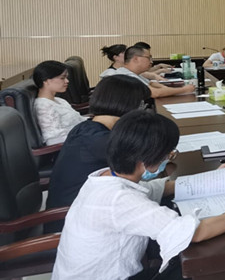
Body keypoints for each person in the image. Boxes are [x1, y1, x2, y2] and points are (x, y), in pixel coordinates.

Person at [51, 110, 225, 280]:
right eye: (168, 155)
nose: (168, 159)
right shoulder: (119, 200)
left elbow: (154, 188)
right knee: (208, 272)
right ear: (146, 160)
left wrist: (212, 179)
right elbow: (196, 232)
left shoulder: (106, 176)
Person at [46, 75, 152, 215]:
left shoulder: (88, 127)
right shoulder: (100, 140)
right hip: (75, 216)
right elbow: (147, 165)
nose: (143, 110)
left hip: (90, 205)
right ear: (128, 105)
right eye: (142, 104)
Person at [106, 46, 194, 98]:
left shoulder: (133, 73)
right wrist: (184, 90)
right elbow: (155, 93)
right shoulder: (126, 75)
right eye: (148, 58)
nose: (151, 61)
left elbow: (151, 84)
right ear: (136, 59)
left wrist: (166, 89)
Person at [33, 61, 85, 145]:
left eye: (66, 77)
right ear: (46, 80)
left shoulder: (60, 100)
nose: (67, 81)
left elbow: (79, 120)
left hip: (82, 136)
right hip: (75, 145)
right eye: (62, 78)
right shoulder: (43, 106)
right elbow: (54, 141)